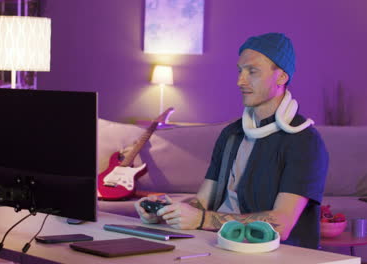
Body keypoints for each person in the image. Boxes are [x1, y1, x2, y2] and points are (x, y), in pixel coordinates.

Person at [135, 32, 328, 249]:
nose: (240, 81)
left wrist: (200, 220)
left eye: (252, 71)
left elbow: (281, 224)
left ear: (281, 77)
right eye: (240, 71)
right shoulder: (231, 134)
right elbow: (202, 202)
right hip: (217, 244)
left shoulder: (303, 141)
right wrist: (166, 211)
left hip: (266, 252)